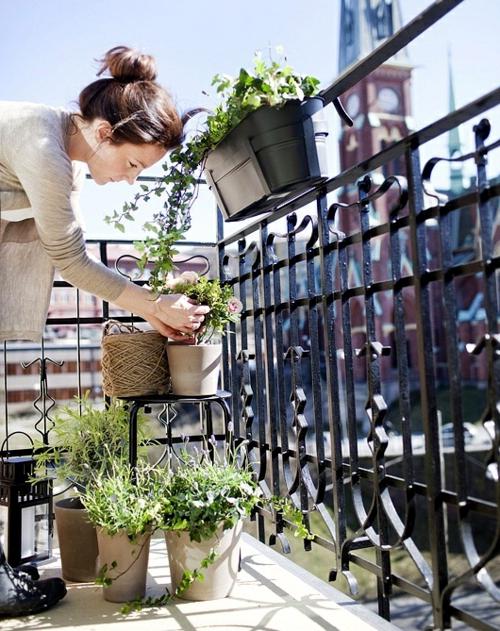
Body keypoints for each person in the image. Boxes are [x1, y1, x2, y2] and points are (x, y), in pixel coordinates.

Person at [0, 45, 210, 616]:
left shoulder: (56, 145)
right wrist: (151, 304)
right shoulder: (44, 148)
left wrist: (145, 305)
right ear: (100, 132)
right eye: (134, 164)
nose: (128, 180)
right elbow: (68, 257)